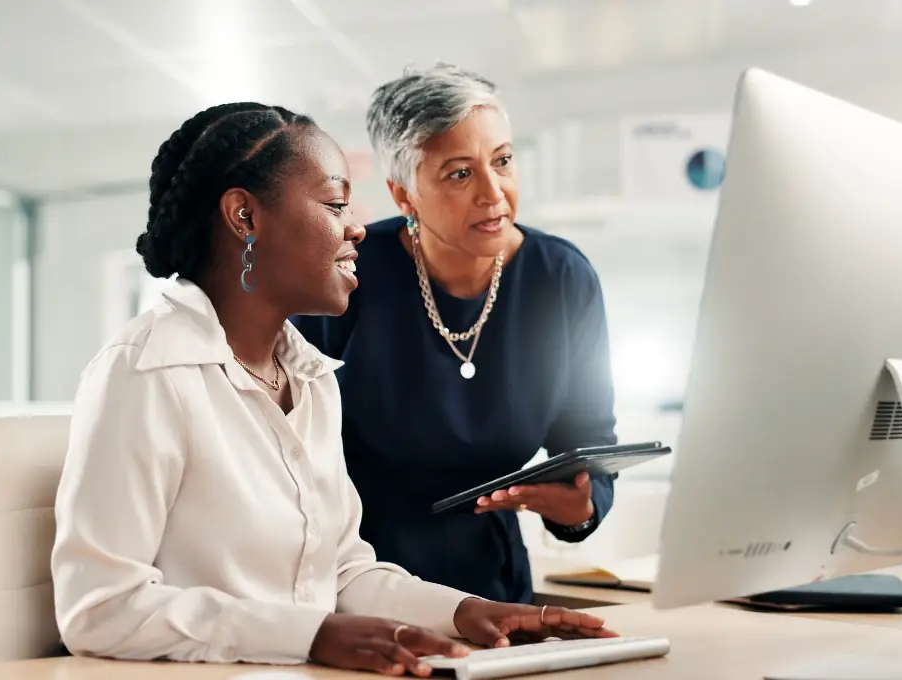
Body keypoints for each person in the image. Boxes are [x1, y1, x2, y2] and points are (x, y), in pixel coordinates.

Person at [50, 102, 615, 675]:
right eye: (334, 204)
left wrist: (468, 612)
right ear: (244, 217)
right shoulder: (146, 372)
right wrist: (312, 635)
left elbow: (342, 572)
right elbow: (99, 609)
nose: (356, 228)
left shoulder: (312, 377)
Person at [291, 64, 618, 605]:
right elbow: (285, 446)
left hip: (493, 585)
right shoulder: (346, 272)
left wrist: (581, 506)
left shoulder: (561, 278)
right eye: (460, 174)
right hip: (356, 582)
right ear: (404, 195)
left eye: (504, 161)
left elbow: (588, 443)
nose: (495, 194)